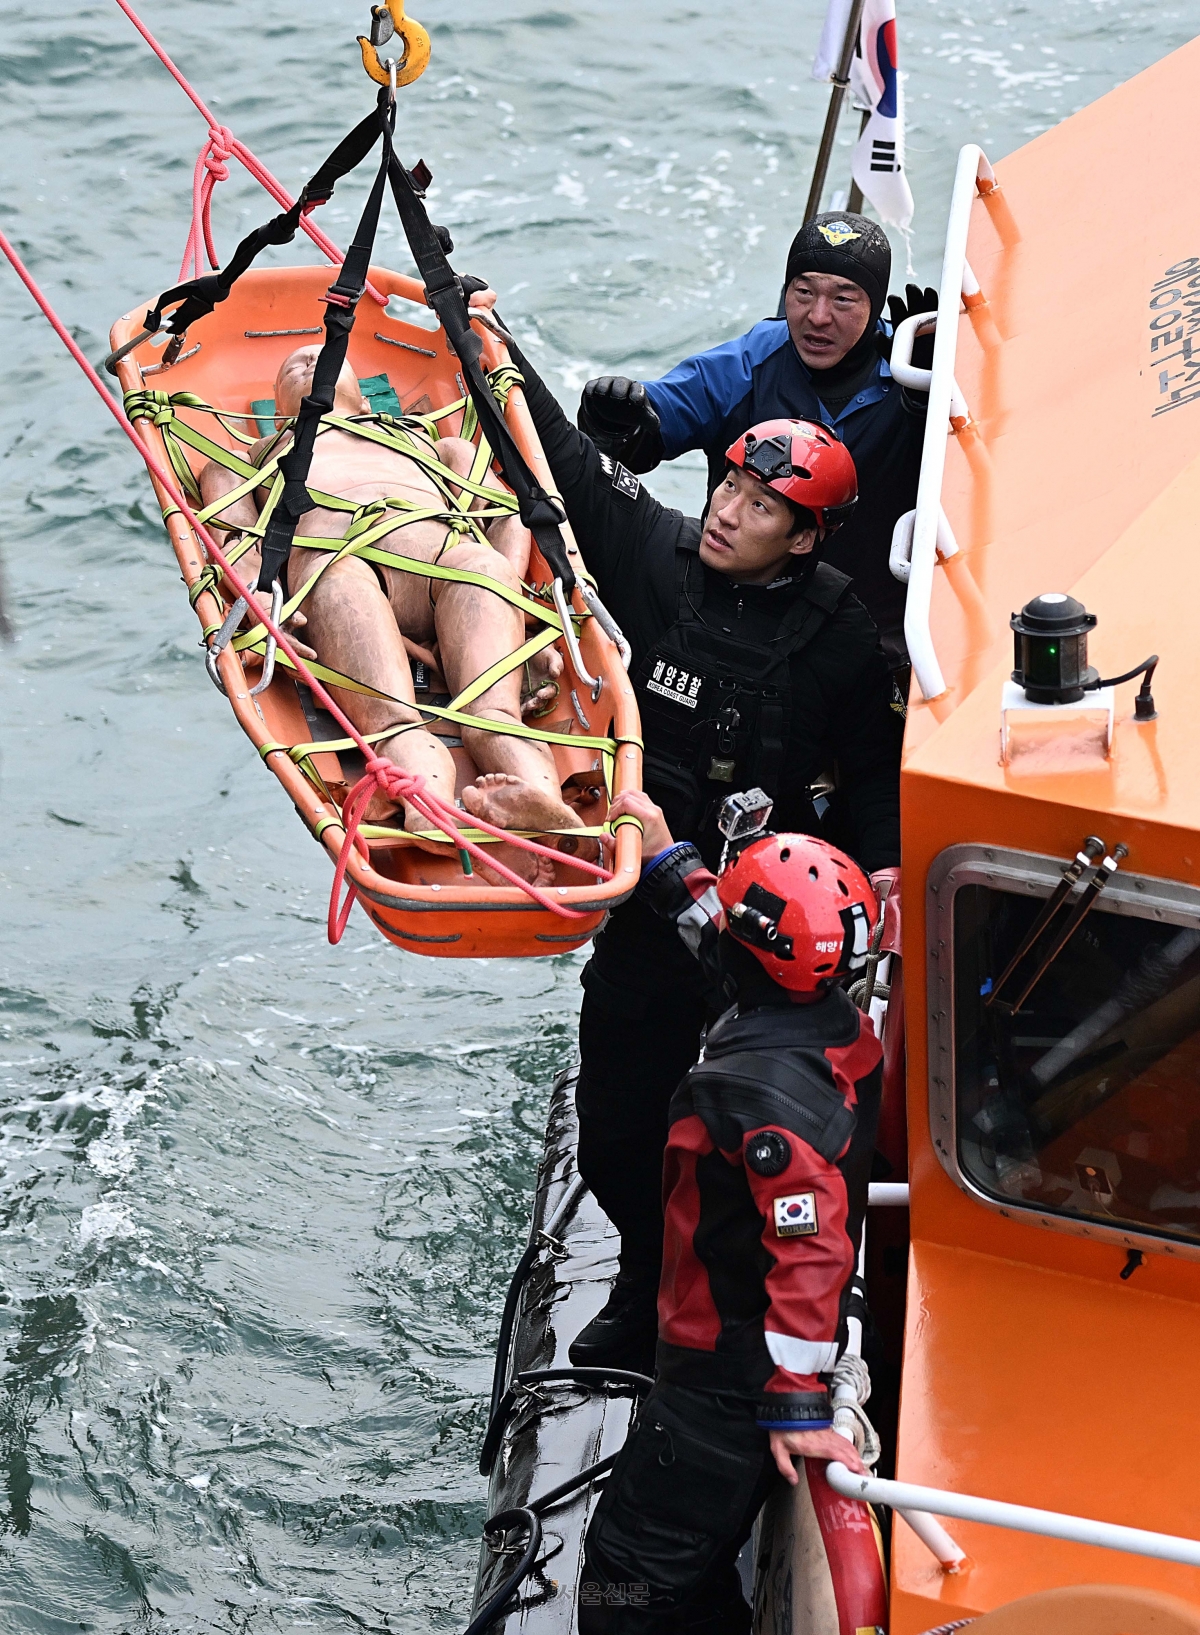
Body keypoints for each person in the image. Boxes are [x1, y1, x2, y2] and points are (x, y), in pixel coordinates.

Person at [478, 305, 901, 1372]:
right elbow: (563, 462)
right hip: (646, 890)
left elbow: (872, 779)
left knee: (726, 1128)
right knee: (617, 1119)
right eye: (727, 487)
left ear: (805, 538)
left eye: (761, 508)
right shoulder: (658, 558)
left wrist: (884, 881)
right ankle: (637, 1277)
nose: (727, 514)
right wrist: (475, 325)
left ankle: (720, 1309)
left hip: (766, 934)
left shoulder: (843, 637)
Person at [577, 786, 877, 1634]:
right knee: (691, 1574)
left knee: (621, 1585)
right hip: (732, 1382)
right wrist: (670, 858)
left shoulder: (754, 1097)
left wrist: (792, 1402)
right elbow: (731, 942)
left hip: (718, 1391)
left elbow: (812, 1243)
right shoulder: (833, 1029)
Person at [198, 345, 581, 882]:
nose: (308, 360)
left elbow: (510, 516)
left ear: (361, 385)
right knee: (393, 719)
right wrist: (261, 603)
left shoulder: (436, 441)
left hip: (449, 556)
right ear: (279, 403)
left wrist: (513, 598)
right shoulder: (248, 460)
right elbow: (236, 541)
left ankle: (542, 805)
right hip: (339, 560)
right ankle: (433, 815)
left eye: (323, 353)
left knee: (495, 715)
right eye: (292, 364)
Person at [577, 212, 936, 669]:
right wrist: (614, 418)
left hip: (875, 637)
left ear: (876, 306)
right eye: (803, 292)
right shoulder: (751, 360)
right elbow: (652, 423)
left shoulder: (915, 367)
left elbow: (978, 486)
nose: (818, 317)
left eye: (844, 300)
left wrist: (930, 401)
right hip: (735, 616)